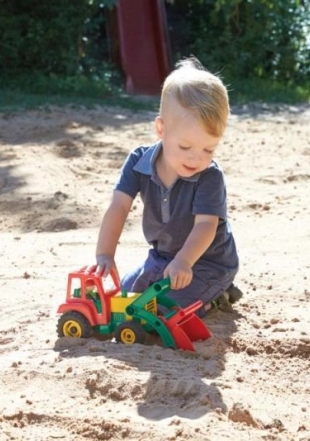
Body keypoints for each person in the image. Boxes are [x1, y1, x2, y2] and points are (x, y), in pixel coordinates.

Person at [92, 57, 242, 316]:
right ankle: (191, 286)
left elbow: (206, 226)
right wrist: (105, 253)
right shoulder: (139, 162)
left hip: (207, 263)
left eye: (209, 148)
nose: (196, 158)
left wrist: (184, 261)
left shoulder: (210, 177)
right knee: (126, 298)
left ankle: (219, 293)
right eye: (185, 147)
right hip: (162, 259)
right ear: (161, 128)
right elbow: (118, 207)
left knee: (163, 309)